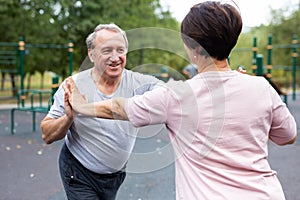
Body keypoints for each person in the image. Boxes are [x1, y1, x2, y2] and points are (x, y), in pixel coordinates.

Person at [64, 1, 297, 200]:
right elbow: (287, 135)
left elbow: (118, 107)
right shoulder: (261, 87)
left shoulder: (176, 96)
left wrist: (81, 106)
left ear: (191, 47)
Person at [40, 23, 161, 200]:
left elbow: (172, 95)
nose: (115, 57)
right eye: (106, 51)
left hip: (115, 176)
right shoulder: (74, 86)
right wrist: (69, 116)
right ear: (91, 54)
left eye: (120, 50)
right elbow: (47, 134)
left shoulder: (140, 83)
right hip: (79, 172)